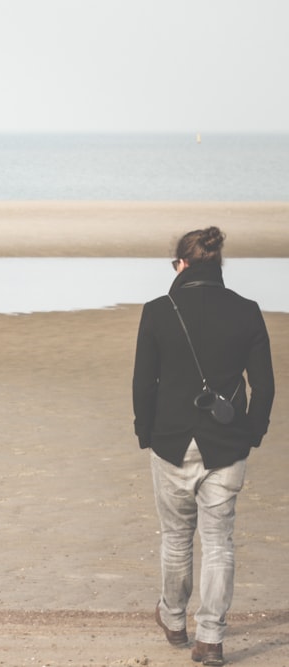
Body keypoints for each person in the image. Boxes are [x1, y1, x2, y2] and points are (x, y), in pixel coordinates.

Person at [132, 226, 275, 666]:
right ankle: (210, 638)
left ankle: (174, 622)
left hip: (171, 441)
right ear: (218, 265)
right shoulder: (247, 310)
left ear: (182, 264)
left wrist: (145, 433)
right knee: (219, 543)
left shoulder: (158, 310)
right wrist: (252, 432)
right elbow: (264, 385)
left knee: (176, 539)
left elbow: (143, 383)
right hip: (227, 444)